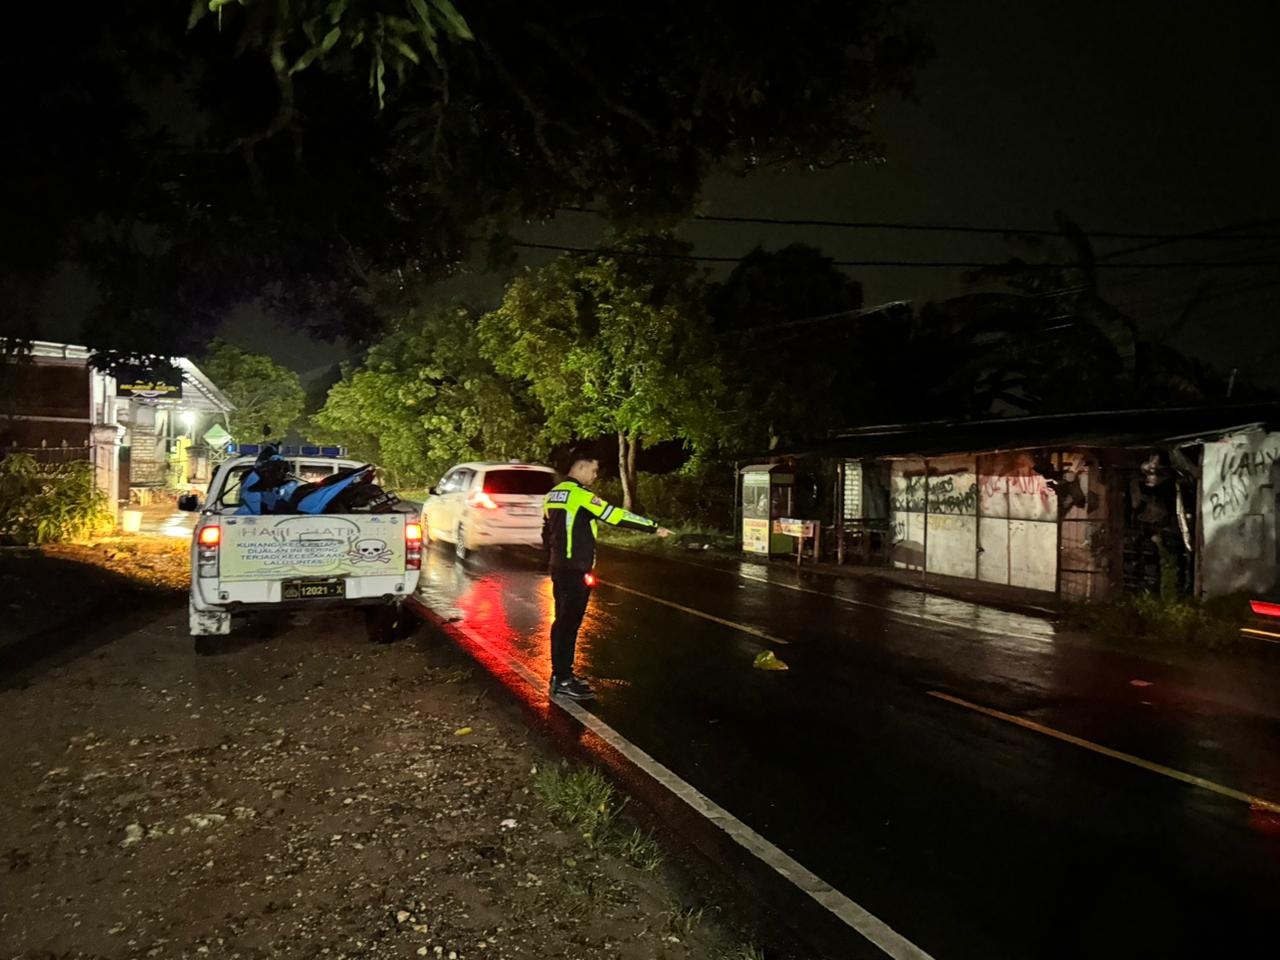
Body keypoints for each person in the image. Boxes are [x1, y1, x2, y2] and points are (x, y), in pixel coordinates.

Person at [542, 452, 670, 700]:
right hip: (574, 570)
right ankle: (561, 679)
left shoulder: (552, 496)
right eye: (593, 469)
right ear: (579, 467)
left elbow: (545, 534)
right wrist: (653, 527)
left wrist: (553, 559)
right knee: (568, 624)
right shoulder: (580, 496)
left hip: (560, 567)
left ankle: (563, 674)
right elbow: (615, 515)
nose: (595, 475)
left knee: (564, 623)